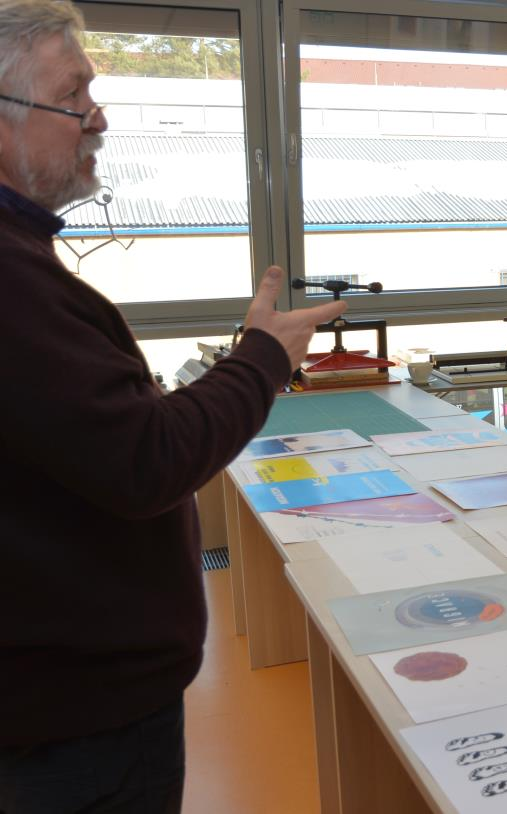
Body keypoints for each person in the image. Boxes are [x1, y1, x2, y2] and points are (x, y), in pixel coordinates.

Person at [0, 2, 346, 810]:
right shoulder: (12, 283)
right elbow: (147, 458)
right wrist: (263, 355)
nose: (99, 117)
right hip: (73, 721)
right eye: (75, 95)